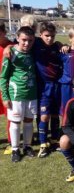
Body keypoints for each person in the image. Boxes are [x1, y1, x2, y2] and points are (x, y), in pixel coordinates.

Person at [0, 27, 37, 162]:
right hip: (16, 94)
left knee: (28, 121)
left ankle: (27, 146)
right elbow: (3, 77)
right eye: (23, 40)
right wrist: (5, 96)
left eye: (30, 40)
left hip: (32, 94)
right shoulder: (10, 53)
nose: (27, 43)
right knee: (15, 122)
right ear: (17, 38)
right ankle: (15, 149)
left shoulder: (34, 51)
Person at [34, 22, 63, 157]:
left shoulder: (57, 47)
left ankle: (55, 140)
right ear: (40, 35)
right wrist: (9, 47)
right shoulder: (36, 45)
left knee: (55, 115)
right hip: (44, 86)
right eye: (46, 36)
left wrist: (63, 46)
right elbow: (18, 42)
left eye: (52, 36)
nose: (49, 38)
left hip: (57, 85)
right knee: (44, 116)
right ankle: (43, 143)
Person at [0, 21, 14, 155]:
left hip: (6, 86)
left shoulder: (11, 47)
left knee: (9, 115)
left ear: (4, 32)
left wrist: (9, 46)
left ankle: (11, 142)